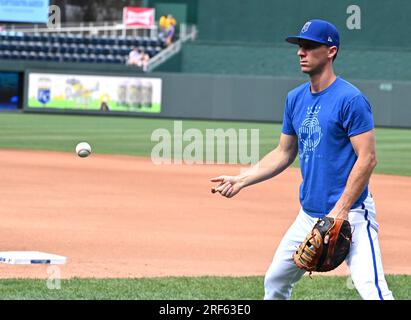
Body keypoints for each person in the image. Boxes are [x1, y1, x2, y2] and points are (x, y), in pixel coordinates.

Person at [210, 19, 394, 300]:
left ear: (331, 51)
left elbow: (367, 159)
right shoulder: (295, 98)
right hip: (308, 215)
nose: (300, 52)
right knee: (274, 282)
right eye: (299, 46)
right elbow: (284, 152)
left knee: (373, 290)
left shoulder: (351, 99)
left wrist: (341, 210)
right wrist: (242, 178)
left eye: (309, 46)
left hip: (352, 216)